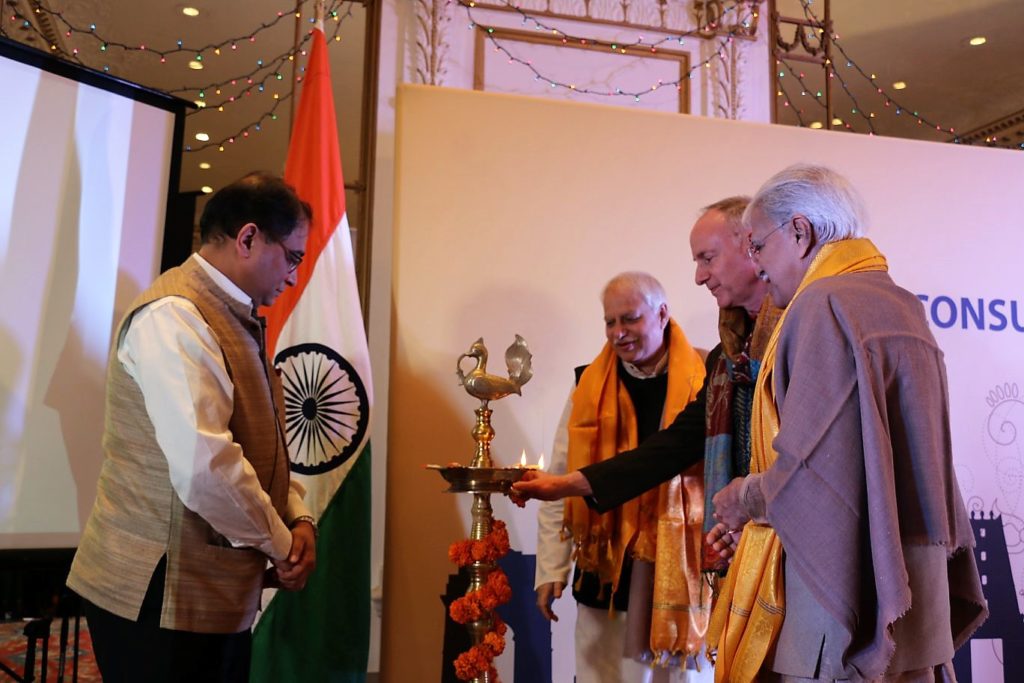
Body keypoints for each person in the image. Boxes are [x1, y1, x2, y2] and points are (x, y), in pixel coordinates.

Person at [708, 164, 987, 682]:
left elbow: (815, 476)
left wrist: (743, 497)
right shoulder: (900, 303)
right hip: (915, 599)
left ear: (800, 232)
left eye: (758, 246)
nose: (756, 265)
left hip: (840, 600)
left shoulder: (821, 304)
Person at [66, 172, 318, 683]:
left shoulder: (234, 315)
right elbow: (206, 467)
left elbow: (259, 444)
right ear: (248, 238)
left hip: (209, 592)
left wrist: (299, 516)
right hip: (157, 593)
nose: (294, 276)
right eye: (292, 256)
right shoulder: (175, 315)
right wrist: (280, 542)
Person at [515, 197, 778, 566]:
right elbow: (672, 447)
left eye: (708, 258)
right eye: (611, 322)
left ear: (751, 246)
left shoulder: (797, 331)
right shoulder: (727, 359)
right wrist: (564, 485)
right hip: (740, 548)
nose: (699, 276)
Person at [535, 272, 708, 682]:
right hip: (607, 568)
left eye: (629, 319)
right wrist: (551, 570)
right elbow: (563, 480)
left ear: (662, 313)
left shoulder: (707, 374)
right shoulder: (588, 386)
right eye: (609, 322)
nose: (618, 333)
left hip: (684, 568)